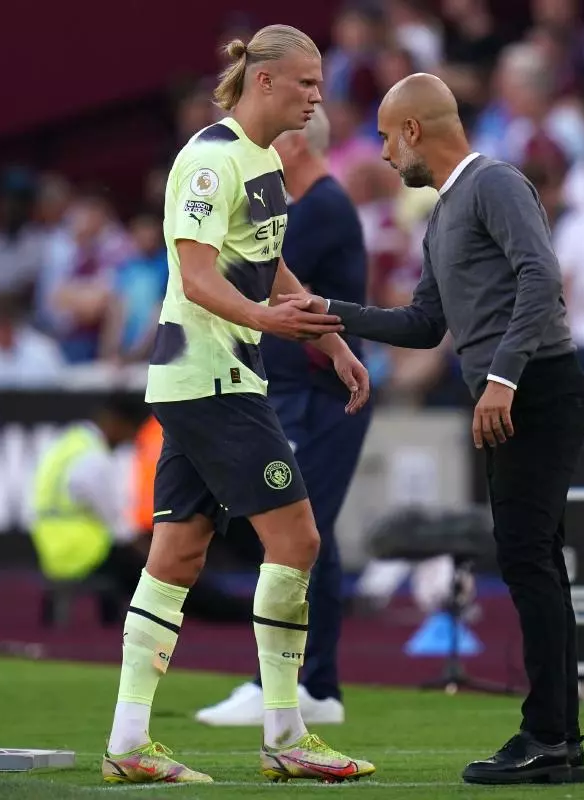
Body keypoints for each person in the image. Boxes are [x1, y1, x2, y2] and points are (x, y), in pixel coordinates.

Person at [281, 73, 584, 787]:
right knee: (533, 561)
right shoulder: (446, 210)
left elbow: (541, 278)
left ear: (414, 130)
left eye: (387, 138)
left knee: (527, 559)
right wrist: (328, 311)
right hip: (515, 392)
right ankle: (559, 737)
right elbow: (425, 325)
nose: (384, 154)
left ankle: (548, 735)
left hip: (536, 387)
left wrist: (503, 378)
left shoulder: (495, 183)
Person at [101, 25, 375, 786]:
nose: (317, 96)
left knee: (177, 555)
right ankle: (285, 732)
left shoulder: (263, 161)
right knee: (298, 540)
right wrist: (269, 323)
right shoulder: (209, 161)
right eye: (306, 82)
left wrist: (330, 341)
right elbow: (194, 278)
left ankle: (128, 741)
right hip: (212, 378)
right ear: (265, 82)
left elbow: (267, 259)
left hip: (210, 380)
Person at [194, 105, 370, 727]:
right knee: (311, 534)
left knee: (294, 533)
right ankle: (313, 682)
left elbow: (256, 272)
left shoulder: (319, 210)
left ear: (292, 146)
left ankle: (290, 682)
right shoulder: (318, 206)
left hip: (318, 397)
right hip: (307, 392)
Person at [30, 396, 146, 597]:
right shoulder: (94, 458)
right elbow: (115, 522)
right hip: (84, 552)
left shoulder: (68, 443)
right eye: (131, 432)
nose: (131, 440)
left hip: (50, 548)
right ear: (117, 422)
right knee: (149, 575)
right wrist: (147, 551)